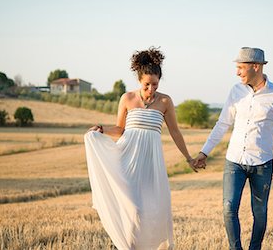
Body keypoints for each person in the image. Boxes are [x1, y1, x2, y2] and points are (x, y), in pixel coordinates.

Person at [84, 47, 198, 250]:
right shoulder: (127, 99)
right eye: (147, 84)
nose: (151, 89)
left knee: (153, 212)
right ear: (139, 81)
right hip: (127, 160)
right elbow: (120, 129)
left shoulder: (165, 101)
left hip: (151, 165)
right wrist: (101, 129)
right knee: (134, 210)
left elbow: (175, 132)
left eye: (155, 84)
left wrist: (189, 158)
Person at [194, 47, 273, 250]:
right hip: (234, 161)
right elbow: (223, 123)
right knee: (228, 208)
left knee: (259, 212)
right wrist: (204, 152)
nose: (237, 72)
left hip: (262, 164)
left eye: (241, 67)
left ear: (255, 67)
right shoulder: (236, 91)